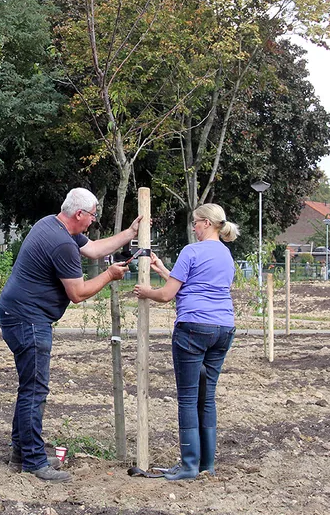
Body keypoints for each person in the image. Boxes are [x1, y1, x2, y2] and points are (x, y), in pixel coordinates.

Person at [0, 187, 141, 483]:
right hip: (28, 320)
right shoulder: (61, 243)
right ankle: (34, 462)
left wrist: (130, 232)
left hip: (18, 313)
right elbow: (77, 293)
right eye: (92, 216)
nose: (93, 221)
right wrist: (109, 275)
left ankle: (22, 452)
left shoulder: (51, 223)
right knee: (34, 391)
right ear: (79, 214)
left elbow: (94, 249)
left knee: (29, 388)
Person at [133, 203, 239, 480]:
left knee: (188, 398)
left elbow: (168, 295)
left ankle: (189, 465)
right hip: (223, 328)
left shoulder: (191, 251)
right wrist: (162, 269)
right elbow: (194, 287)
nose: (193, 227)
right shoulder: (227, 256)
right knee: (207, 398)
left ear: (206, 223)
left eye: (195, 222)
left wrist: (147, 291)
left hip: (192, 328)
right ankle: (206, 465)